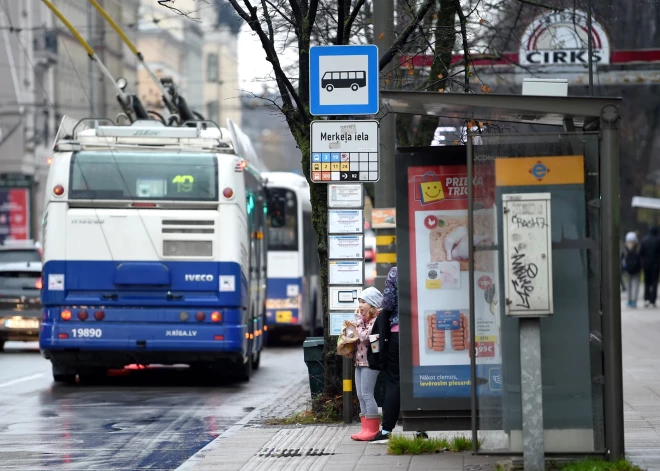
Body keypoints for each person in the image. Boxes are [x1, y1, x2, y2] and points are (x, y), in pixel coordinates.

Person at [370, 267, 402, 444]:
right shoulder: (424, 268)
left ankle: (387, 429)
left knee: (394, 380)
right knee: (417, 379)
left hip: (397, 333)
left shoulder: (395, 272)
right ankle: (421, 427)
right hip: (421, 334)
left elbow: (388, 304)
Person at [351, 286, 383, 441]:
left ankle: (373, 429)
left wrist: (357, 323)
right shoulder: (364, 321)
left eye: (363, 302)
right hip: (359, 361)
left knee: (367, 394)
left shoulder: (376, 320)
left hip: (370, 362)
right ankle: (365, 428)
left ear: (372, 304)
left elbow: (365, 337)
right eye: (359, 302)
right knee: (360, 395)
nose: (360, 306)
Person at [640, 227, 660, 307]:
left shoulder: (644, 240)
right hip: (656, 264)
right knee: (654, 282)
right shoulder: (658, 240)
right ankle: (653, 300)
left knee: (647, 282)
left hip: (646, 264)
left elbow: (641, 252)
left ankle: (646, 299)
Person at [622, 231, 642, 307]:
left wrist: (624, 267)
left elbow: (623, 259)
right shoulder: (638, 247)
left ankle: (629, 300)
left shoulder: (625, 248)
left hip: (628, 269)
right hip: (637, 269)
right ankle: (634, 300)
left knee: (629, 285)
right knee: (635, 285)